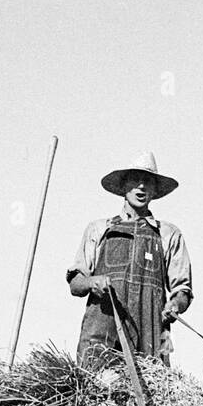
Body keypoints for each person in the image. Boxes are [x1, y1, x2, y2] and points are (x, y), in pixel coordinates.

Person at [67, 151, 193, 372]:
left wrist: (175, 305)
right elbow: (76, 285)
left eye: (148, 182)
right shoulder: (99, 228)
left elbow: (182, 290)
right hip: (101, 334)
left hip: (150, 334)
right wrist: (92, 281)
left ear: (155, 190)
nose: (141, 187)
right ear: (124, 186)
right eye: (135, 180)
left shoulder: (168, 234)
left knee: (151, 393)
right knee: (94, 387)